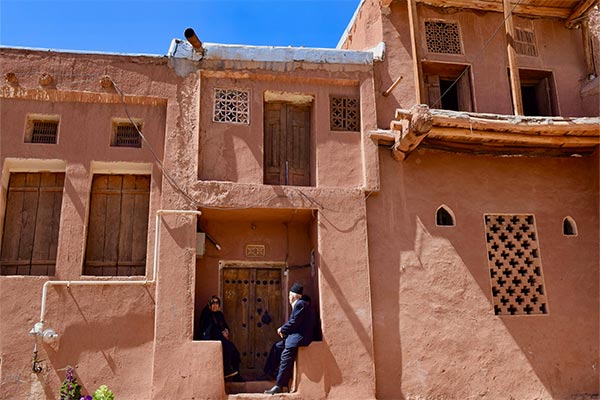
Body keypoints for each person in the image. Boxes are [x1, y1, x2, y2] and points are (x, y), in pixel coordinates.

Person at [264, 283, 313, 395]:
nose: (289, 298)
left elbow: (294, 322)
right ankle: (270, 372)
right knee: (277, 346)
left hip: (299, 338)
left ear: (293, 296)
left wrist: (282, 329)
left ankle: (279, 385)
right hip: (294, 337)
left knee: (286, 356)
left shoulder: (300, 304)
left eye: (289, 295)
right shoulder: (299, 304)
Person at [197, 295, 243, 381]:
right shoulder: (207, 315)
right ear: (209, 305)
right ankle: (227, 370)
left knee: (235, 352)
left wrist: (226, 331)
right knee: (228, 348)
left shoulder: (219, 315)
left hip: (221, 338)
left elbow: (225, 326)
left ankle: (237, 376)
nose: (215, 305)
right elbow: (207, 330)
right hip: (212, 339)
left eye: (217, 303)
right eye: (213, 303)